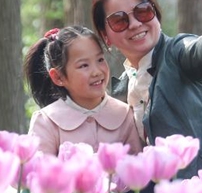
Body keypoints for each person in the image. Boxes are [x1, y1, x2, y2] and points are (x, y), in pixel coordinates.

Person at [91, 0, 202, 179]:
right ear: (106, 36)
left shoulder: (178, 53)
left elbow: (201, 50)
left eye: (143, 11)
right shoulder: (123, 89)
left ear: (155, 13)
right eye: (119, 21)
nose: (135, 24)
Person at [24, 26, 142, 157]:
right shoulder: (46, 121)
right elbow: (40, 168)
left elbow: (137, 164)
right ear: (58, 77)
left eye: (100, 60)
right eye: (84, 65)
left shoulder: (124, 114)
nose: (96, 72)